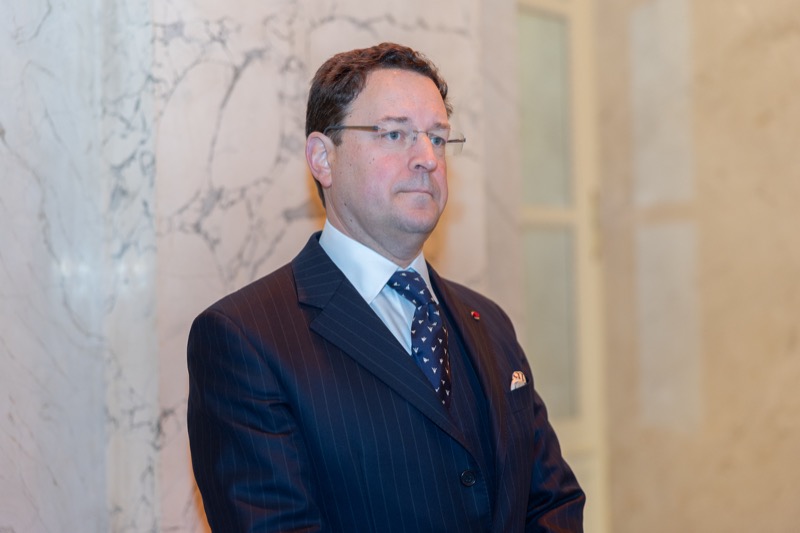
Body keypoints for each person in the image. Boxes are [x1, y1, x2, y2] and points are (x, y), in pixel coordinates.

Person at [187, 42, 585, 532]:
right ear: (322, 158)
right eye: (395, 134)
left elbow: (553, 503)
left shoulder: (490, 322)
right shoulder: (244, 339)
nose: (427, 159)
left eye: (438, 138)